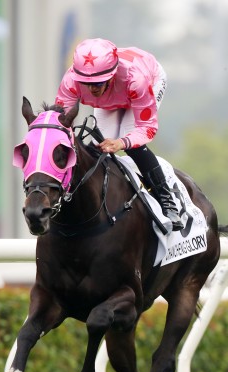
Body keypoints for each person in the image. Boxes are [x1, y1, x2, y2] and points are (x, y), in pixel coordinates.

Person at [55, 38, 183, 231]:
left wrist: (122, 143)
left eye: (98, 83)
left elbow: (146, 128)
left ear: (112, 75)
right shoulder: (71, 80)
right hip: (114, 96)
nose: (92, 89)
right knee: (96, 149)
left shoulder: (135, 79)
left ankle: (168, 202)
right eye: (86, 83)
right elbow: (61, 124)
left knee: (133, 145)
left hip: (146, 82)